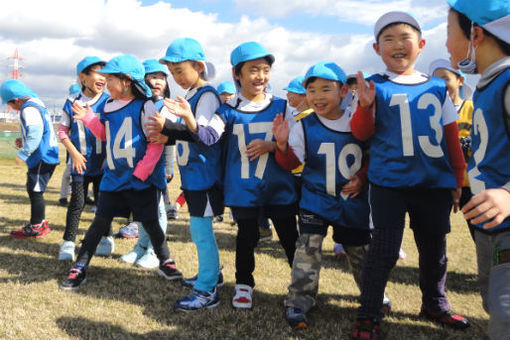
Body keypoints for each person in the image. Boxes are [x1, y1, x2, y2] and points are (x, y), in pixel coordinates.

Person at [349, 11, 470, 338]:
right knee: (384, 250)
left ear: (421, 45)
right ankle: (369, 313)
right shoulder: (375, 86)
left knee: (434, 250)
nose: (397, 45)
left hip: (432, 181)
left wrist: (457, 178)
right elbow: (361, 134)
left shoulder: (437, 87)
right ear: (377, 49)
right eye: (388, 39)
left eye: (404, 38)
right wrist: (363, 106)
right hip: (389, 183)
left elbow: (450, 136)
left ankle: (435, 304)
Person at [157, 41, 299, 309]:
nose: (260, 76)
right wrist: (188, 119)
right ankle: (244, 285)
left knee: (290, 239)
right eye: (253, 70)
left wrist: (273, 145)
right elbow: (208, 136)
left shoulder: (282, 106)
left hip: (279, 188)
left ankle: (300, 289)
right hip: (243, 189)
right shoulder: (227, 109)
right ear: (237, 74)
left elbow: (297, 147)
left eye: (265, 69)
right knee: (246, 239)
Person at [273, 61, 391, 330]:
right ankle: (298, 301)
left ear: (344, 91)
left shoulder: (358, 122)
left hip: (352, 202)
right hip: (315, 198)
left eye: (326, 89)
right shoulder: (304, 125)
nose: (317, 96)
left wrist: (362, 177)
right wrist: (281, 145)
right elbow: (292, 162)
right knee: (307, 251)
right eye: (311, 90)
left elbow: (374, 155)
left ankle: (374, 296)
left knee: (360, 252)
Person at [59, 54, 182, 291]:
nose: (106, 83)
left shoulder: (145, 105)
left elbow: (155, 142)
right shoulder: (107, 105)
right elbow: (104, 134)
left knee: (151, 222)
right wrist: (88, 118)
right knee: (98, 223)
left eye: (110, 79)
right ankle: (80, 266)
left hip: (140, 180)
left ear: (126, 81)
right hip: (113, 179)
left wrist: (143, 172)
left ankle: (166, 261)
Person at [446, 1, 510, 338]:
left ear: (477, 33)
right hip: (491, 228)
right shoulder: (488, 84)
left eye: (448, 32)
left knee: (505, 312)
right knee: (491, 298)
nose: (446, 45)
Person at [147, 38, 224, 311]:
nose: (176, 77)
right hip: (193, 175)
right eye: (173, 72)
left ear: (199, 66)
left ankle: (207, 290)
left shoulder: (207, 96)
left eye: (181, 70)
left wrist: (167, 126)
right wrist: (164, 134)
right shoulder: (191, 95)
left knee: (201, 232)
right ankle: (213, 274)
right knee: (199, 230)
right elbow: (184, 135)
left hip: (205, 176)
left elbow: (202, 135)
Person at [119, 59, 176, 269]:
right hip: (136, 166)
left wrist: (168, 167)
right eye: (151, 77)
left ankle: (155, 250)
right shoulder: (137, 104)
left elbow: (167, 139)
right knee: (140, 209)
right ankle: (141, 246)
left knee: (157, 210)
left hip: (155, 169)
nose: (156, 81)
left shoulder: (166, 105)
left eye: (161, 77)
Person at [58, 56, 112, 261]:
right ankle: (68, 242)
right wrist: (74, 154)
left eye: (104, 74)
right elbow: (63, 131)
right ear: (83, 77)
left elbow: (111, 132)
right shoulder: (71, 102)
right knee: (77, 203)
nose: (102, 78)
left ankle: (106, 240)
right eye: (98, 73)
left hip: (103, 165)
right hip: (79, 163)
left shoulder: (108, 101)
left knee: (103, 203)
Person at [1, 80, 59, 238]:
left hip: (42, 156)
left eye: (11, 105)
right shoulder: (36, 103)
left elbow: (35, 133)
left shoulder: (28, 109)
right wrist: (24, 140)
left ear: (17, 100)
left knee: (35, 191)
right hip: (46, 154)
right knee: (33, 188)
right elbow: (38, 131)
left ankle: (37, 226)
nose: (12, 109)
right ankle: (40, 222)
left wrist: (23, 153)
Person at [429, 58, 476, 240]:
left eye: (446, 78)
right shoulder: (429, 112)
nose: (441, 84)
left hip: (470, 183)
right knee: (434, 230)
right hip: (439, 181)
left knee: (479, 231)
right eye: (436, 80)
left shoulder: (472, 108)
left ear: (460, 81)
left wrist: (465, 142)